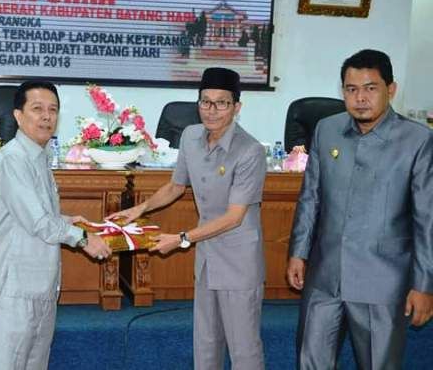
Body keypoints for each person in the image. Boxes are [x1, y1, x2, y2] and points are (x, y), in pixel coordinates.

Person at [108, 68, 267, 370]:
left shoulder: (250, 151)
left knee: (244, 349)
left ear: (237, 107)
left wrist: (182, 239)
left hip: (239, 261)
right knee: (206, 343)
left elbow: (234, 217)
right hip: (207, 257)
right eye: (205, 102)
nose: (212, 110)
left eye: (221, 103)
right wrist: (139, 209)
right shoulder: (191, 136)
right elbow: (175, 186)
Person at [286, 49, 433, 369]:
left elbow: (427, 220)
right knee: (310, 362)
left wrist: (425, 285)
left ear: (391, 89)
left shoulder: (418, 140)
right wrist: (298, 252)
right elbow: (311, 196)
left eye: (370, 88)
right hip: (325, 277)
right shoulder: (326, 130)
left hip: (382, 282)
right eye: (351, 89)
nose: (360, 98)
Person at [0, 80, 112, 370]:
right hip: (14, 284)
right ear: (18, 115)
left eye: (53, 110)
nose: (46, 117)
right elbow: (38, 221)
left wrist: (66, 220)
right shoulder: (13, 159)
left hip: (40, 282)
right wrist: (82, 238)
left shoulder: (40, 156)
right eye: (37, 109)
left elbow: (33, 214)